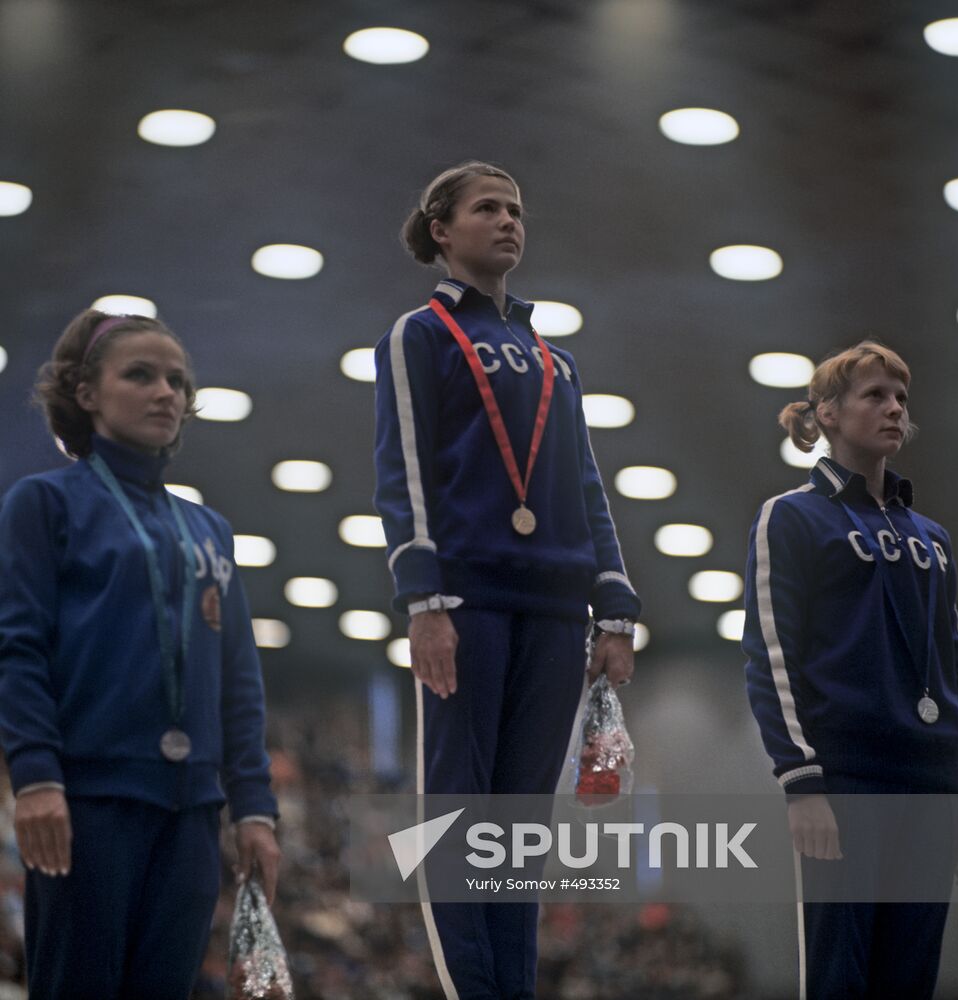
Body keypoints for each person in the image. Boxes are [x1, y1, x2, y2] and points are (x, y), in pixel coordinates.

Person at [373, 160, 641, 999]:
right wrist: (424, 600)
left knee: (522, 830)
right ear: (442, 231)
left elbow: (585, 483)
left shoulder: (556, 360)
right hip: (468, 602)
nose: (508, 221)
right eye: (487, 207)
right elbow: (405, 468)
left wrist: (616, 607)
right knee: (458, 818)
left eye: (517, 209)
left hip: (556, 610)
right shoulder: (420, 333)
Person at [0, 309, 281, 1000]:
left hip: (191, 813)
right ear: (86, 394)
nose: (167, 393)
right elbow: (17, 647)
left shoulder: (208, 528)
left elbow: (238, 681)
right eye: (141, 375)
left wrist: (254, 807)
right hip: (88, 801)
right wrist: (35, 777)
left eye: (178, 381)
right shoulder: (45, 504)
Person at [742, 340, 958, 998]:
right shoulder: (792, 516)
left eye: (901, 399)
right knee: (838, 976)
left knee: (910, 978)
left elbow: (955, 666)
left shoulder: (932, 538)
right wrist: (801, 782)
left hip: (931, 785)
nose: (894, 410)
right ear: (826, 413)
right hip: (846, 781)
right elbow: (771, 652)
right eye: (875, 396)